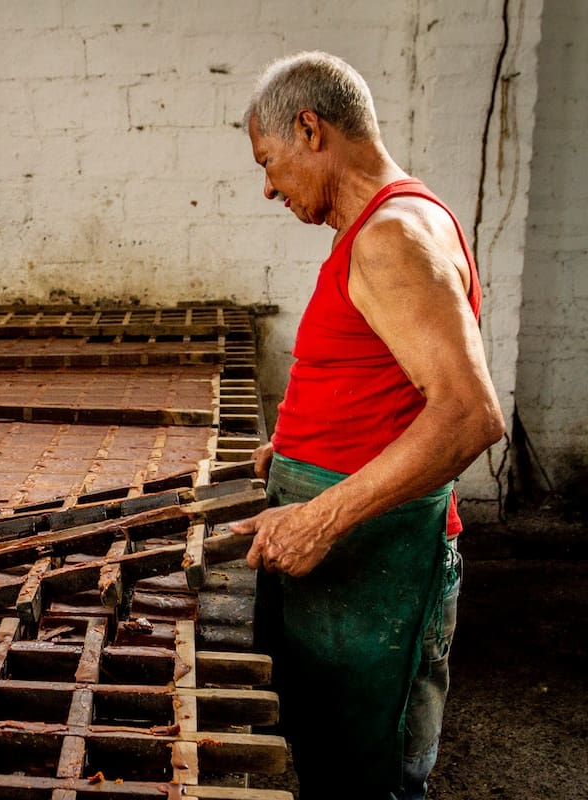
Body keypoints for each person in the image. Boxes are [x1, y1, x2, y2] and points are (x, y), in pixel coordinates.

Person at [229, 52, 505, 799]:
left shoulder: (391, 238)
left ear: (310, 129)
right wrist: (294, 447)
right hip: (351, 561)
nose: (267, 187)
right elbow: (388, 386)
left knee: (367, 774)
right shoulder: (389, 225)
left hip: (374, 562)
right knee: (326, 757)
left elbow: (469, 415)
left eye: (269, 161)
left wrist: (321, 515)